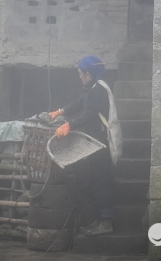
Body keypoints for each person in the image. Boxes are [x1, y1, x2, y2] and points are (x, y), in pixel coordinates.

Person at [48, 56, 115, 237]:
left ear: (89, 74)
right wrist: (60, 112)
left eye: (81, 73)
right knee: (95, 180)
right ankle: (99, 220)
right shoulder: (91, 88)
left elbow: (89, 114)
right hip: (94, 143)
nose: (79, 76)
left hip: (101, 143)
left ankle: (106, 221)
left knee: (101, 181)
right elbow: (80, 103)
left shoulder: (99, 89)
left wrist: (69, 125)